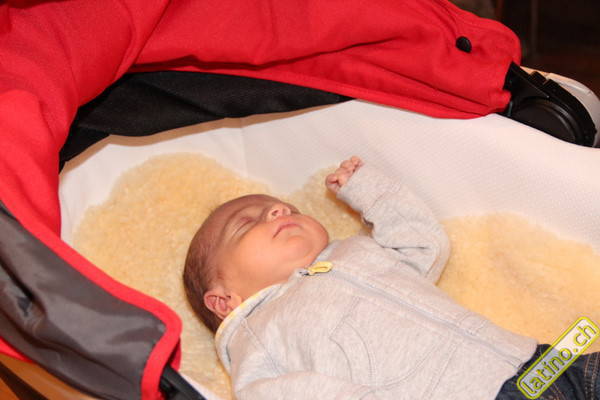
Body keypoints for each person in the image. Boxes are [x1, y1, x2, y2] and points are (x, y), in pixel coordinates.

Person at [183, 156, 600, 399]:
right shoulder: (258, 335)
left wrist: (369, 192)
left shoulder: (354, 251)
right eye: (247, 223)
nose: (278, 211)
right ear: (224, 300)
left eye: (288, 209)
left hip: (540, 362)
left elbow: (424, 244)